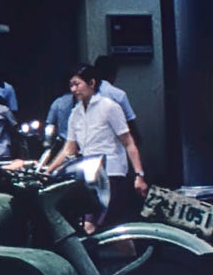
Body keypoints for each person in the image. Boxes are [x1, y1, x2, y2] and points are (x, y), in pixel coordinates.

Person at [46, 64, 149, 229]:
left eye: (77, 84)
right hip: (89, 174)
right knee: (90, 225)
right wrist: (49, 170)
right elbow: (69, 148)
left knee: (113, 227)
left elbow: (129, 142)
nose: (73, 89)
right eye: (71, 85)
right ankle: (123, 254)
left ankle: (130, 254)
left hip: (112, 174)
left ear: (92, 83)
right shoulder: (76, 113)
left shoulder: (109, 107)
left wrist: (139, 175)